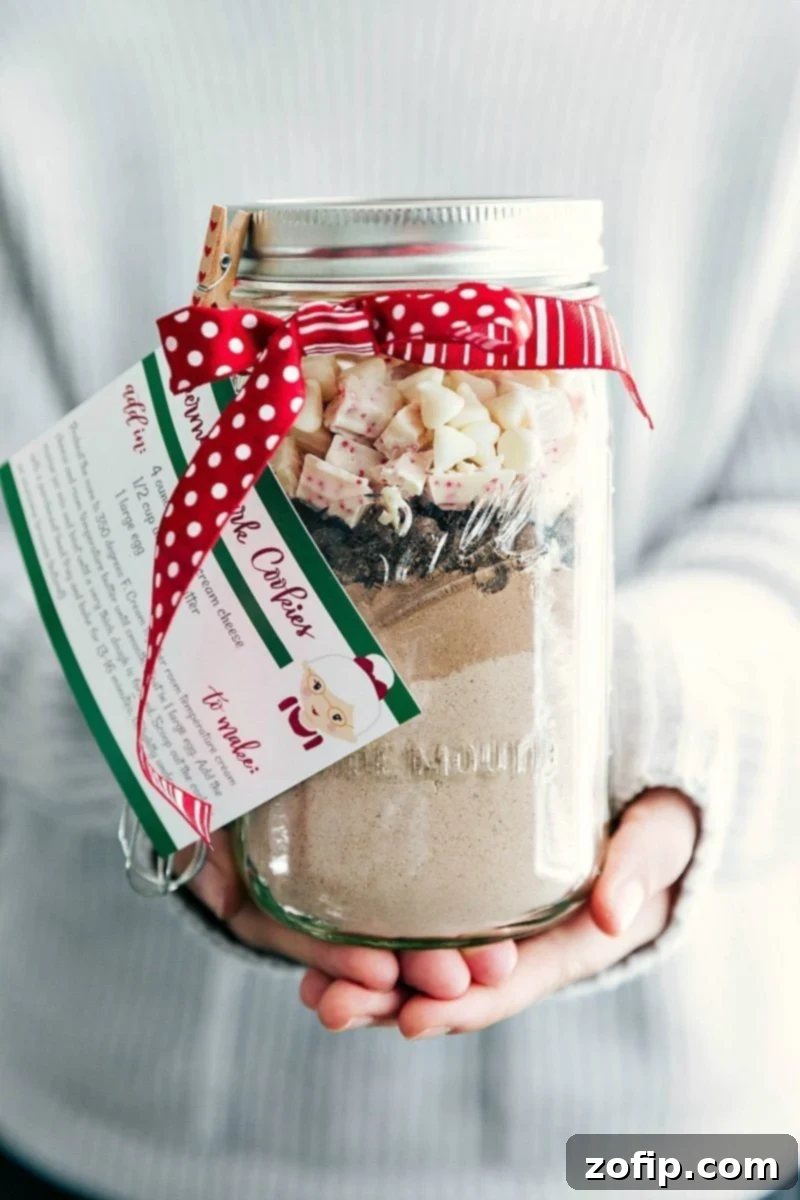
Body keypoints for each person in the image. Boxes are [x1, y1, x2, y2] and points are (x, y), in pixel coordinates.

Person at [1, 2, 799, 1198]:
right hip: (118, 1123)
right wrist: (161, 738)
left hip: (662, 1137)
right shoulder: (41, 44)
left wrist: (634, 730)